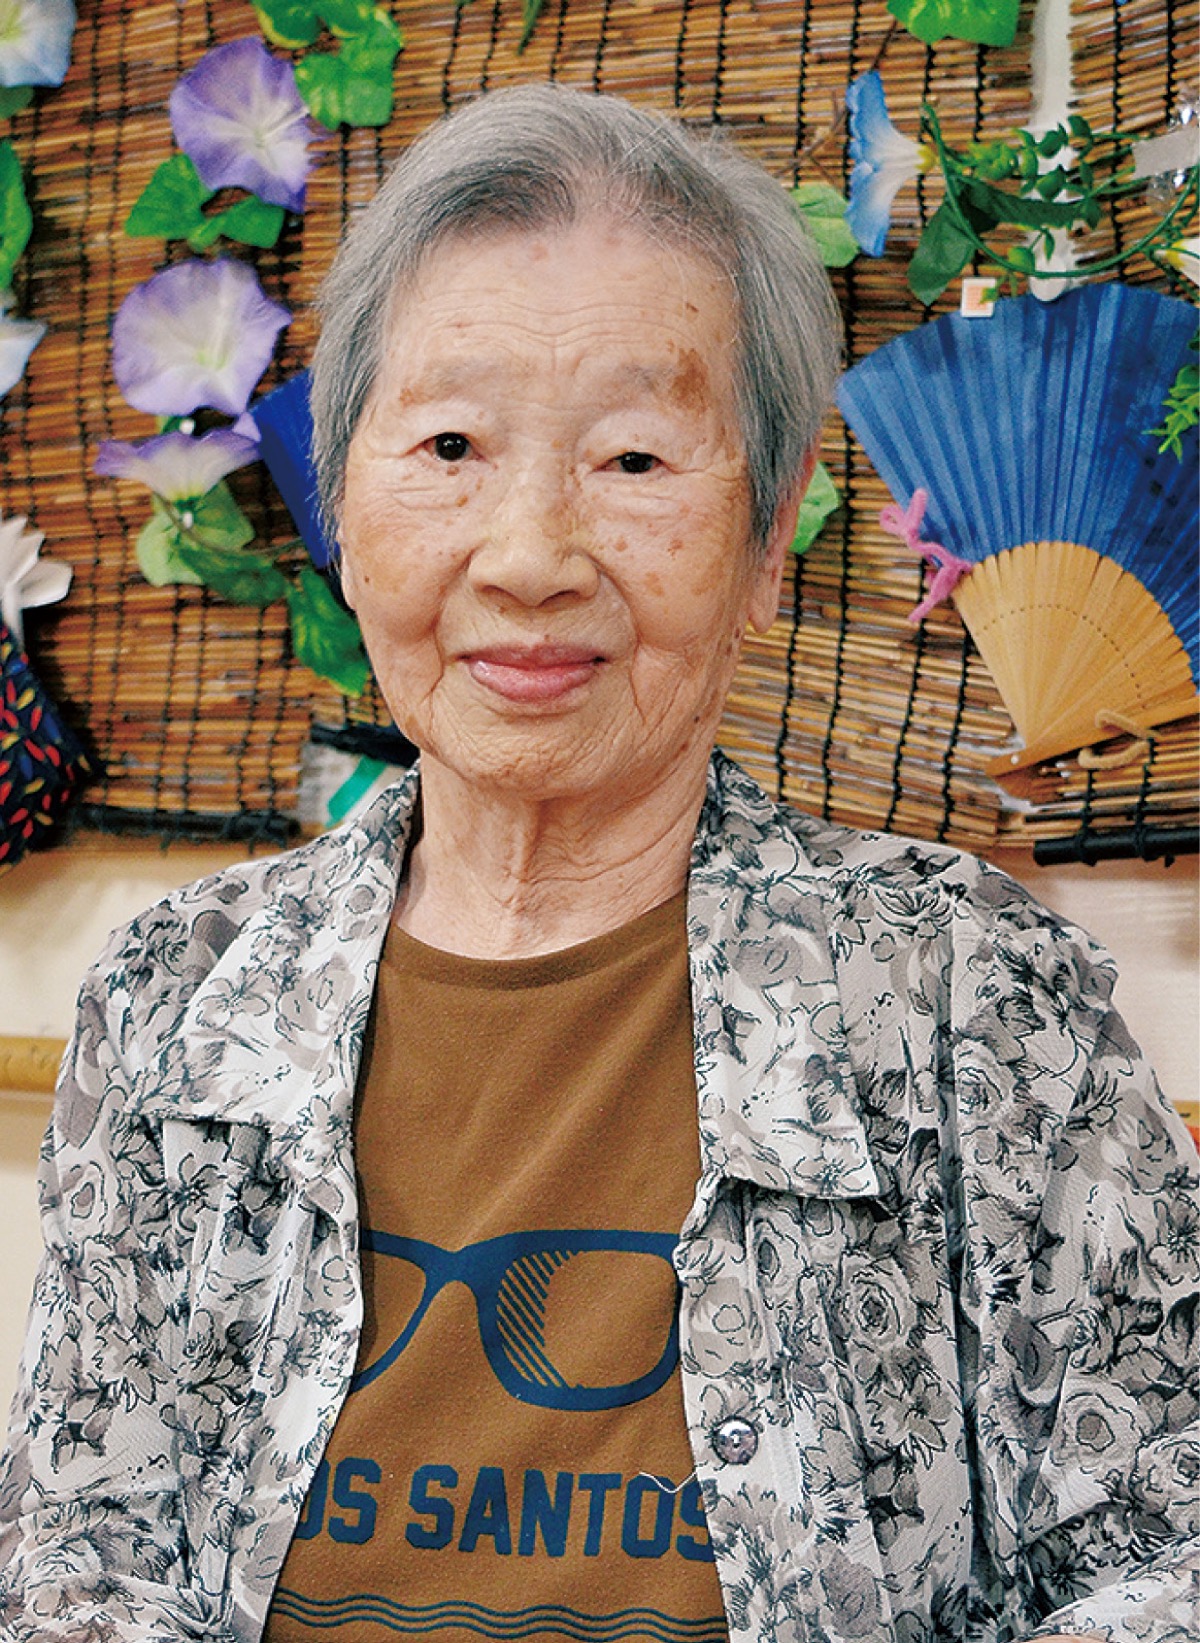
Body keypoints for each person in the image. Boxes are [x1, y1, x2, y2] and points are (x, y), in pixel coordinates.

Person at [1, 83, 1196, 1643]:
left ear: (768, 537)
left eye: (634, 459)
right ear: (344, 507)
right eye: (450, 445)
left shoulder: (967, 995)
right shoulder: (180, 996)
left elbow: (1168, 1555)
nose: (529, 556)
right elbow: (80, 1555)